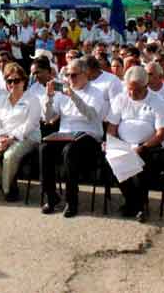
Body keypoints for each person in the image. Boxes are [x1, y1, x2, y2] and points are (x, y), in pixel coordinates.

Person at [41, 58, 107, 218]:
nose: (70, 79)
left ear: (85, 74)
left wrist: (74, 97)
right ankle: (51, 196)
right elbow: (49, 117)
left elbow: (91, 115)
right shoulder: (62, 92)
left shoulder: (97, 92)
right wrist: (49, 98)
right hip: (65, 134)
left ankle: (72, 200)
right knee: (44, 148)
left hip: (88, 136)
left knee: (70, 150)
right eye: (68, 75)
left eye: (74, 75)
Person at [106, 66, 164, 221]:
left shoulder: (158, 101)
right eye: (130, 90)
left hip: (148, 145)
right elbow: (112, 128)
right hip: (123, 144)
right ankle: (133, 202)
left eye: (137, 91)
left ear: (145, 86)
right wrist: (111, 143)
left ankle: (139, 206)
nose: (133, 94)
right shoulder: (121, 98)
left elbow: (161, 133)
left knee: (141, 164)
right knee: (112, 160)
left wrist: (143, 146)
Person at [0, 63, 41, 201]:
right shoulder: (0, 100)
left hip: (27, 137)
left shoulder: (33, 99)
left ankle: (8, 191)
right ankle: (7, 183)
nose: (13, 84)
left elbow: (30, 124)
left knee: (9, 155)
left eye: (17, 80)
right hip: (3, 136)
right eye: (9, 81)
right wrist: (1, 138)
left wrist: (12, 138)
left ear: (24, 81)